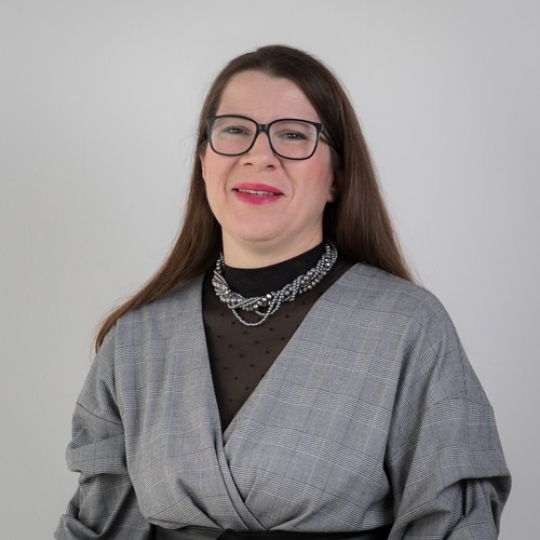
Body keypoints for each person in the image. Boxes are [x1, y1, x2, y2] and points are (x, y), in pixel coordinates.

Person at [55, 45, 510, 540]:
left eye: (293, 135)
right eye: (235, 130)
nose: (259, 156)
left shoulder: (408, 327)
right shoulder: (136, 341)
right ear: (204, 162)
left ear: (336, 177)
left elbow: (453, 526)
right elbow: (100, 527)